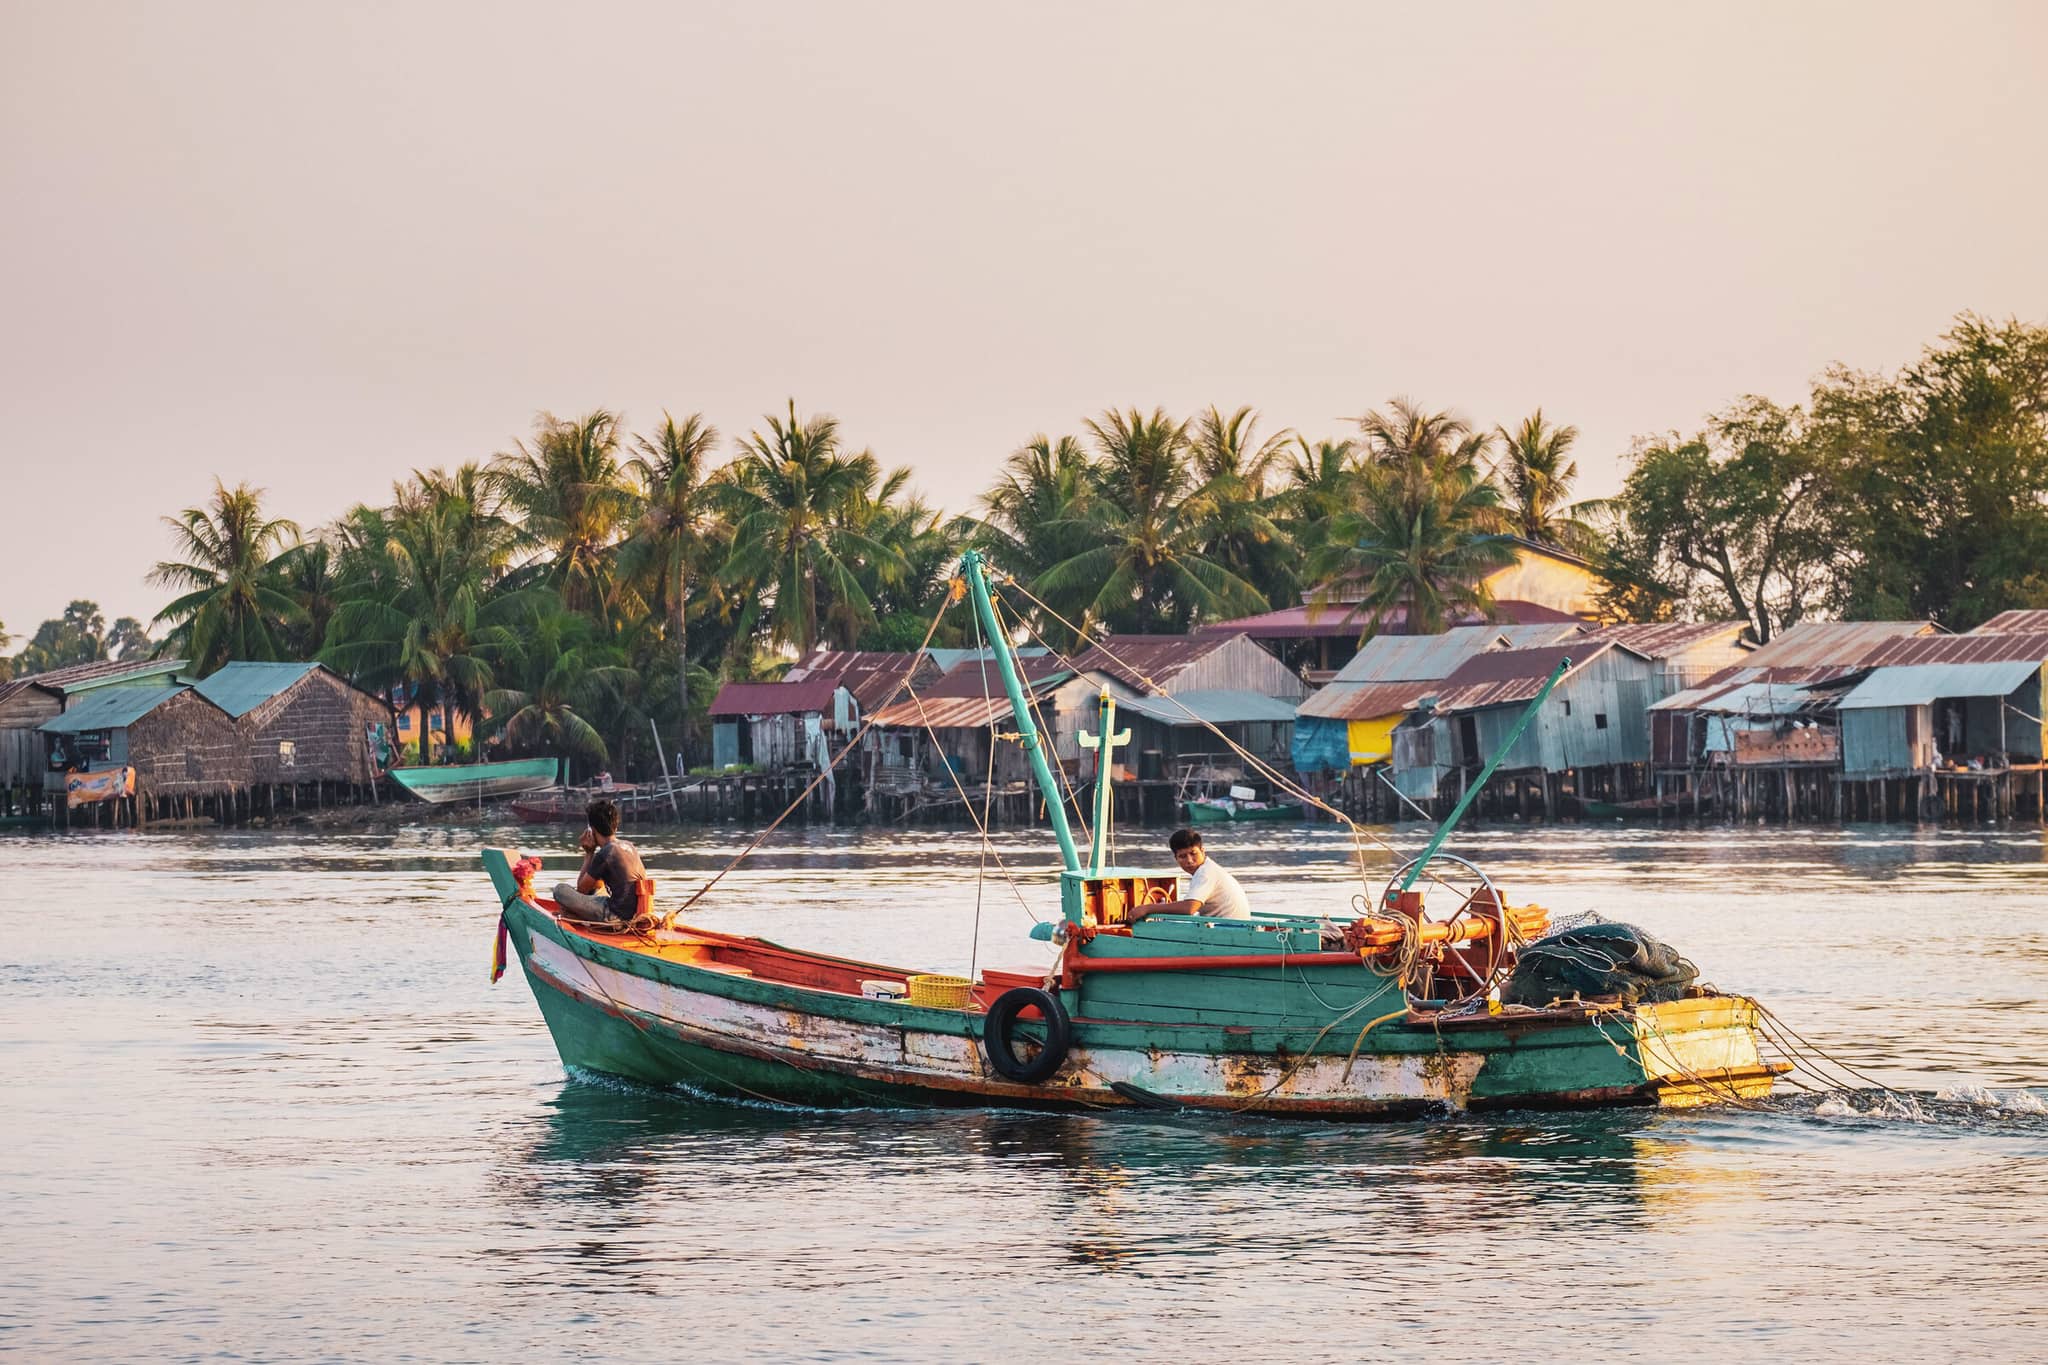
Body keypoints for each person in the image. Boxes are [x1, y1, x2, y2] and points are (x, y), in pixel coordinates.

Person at [552, 798, 646, 925]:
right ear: (615, 827)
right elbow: (594, 885)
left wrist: (589, 853)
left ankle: (576, 917)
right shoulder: (629, 846)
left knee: (560, 890)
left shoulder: (605, 853)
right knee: (595, 889)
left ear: (592, 830)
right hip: (634, 913)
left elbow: (581, 889)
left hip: (615, 916)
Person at [1130, 827, 1251, 921]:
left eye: (1193, 853)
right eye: (1182, 856)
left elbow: (1190, 908)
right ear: (1176, 858)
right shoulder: (1208, 868)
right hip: (1233, 926)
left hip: (1232, 929)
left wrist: (1146, 908)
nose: (1189, 860)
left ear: (1203, 851)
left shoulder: (1205, 872)